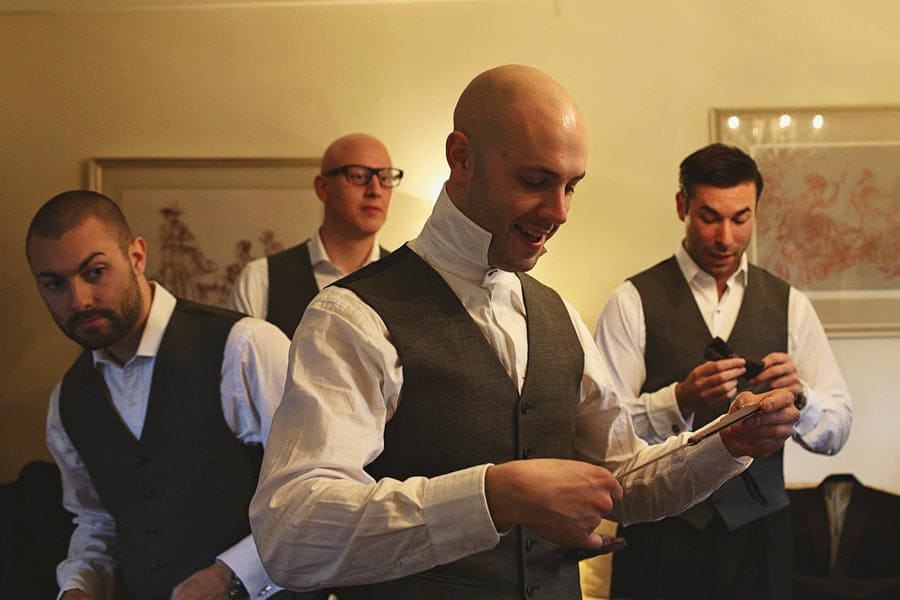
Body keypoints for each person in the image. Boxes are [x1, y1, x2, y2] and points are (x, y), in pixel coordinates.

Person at [249, 66, 800, 599]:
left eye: (572, 187)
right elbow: (292, 533)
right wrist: (491, 495)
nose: (558, 211)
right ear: (460, 157)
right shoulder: (352, 316)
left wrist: (725, 444)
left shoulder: (556, 314)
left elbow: (622, 477)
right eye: (535, 181)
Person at [593, 143, 853, 599]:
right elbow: (601, 439)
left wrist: (802, 399)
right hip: (660, 532)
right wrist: (678, 400)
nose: (725, 238)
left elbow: (838, 431)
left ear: (756, 211)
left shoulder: (791, 305)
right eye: (710, 217)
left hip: (761, 534)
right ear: (682, 207)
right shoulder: (631, 302)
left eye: (741, 218)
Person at [25, 190, 296, 600]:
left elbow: (314, 496)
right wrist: (79, 586)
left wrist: (232, 574)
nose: (79, 299)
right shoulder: (68, 400)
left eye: (95, 272)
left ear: (136, 256)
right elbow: (97, 522)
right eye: (54, 284)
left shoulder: (244, 349)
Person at [228, 133, 400, 337]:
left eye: (386, 178)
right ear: (322, 188)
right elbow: (237, 364)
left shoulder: (404, 282)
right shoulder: (260, 279)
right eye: (358, 176)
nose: (375, 190)